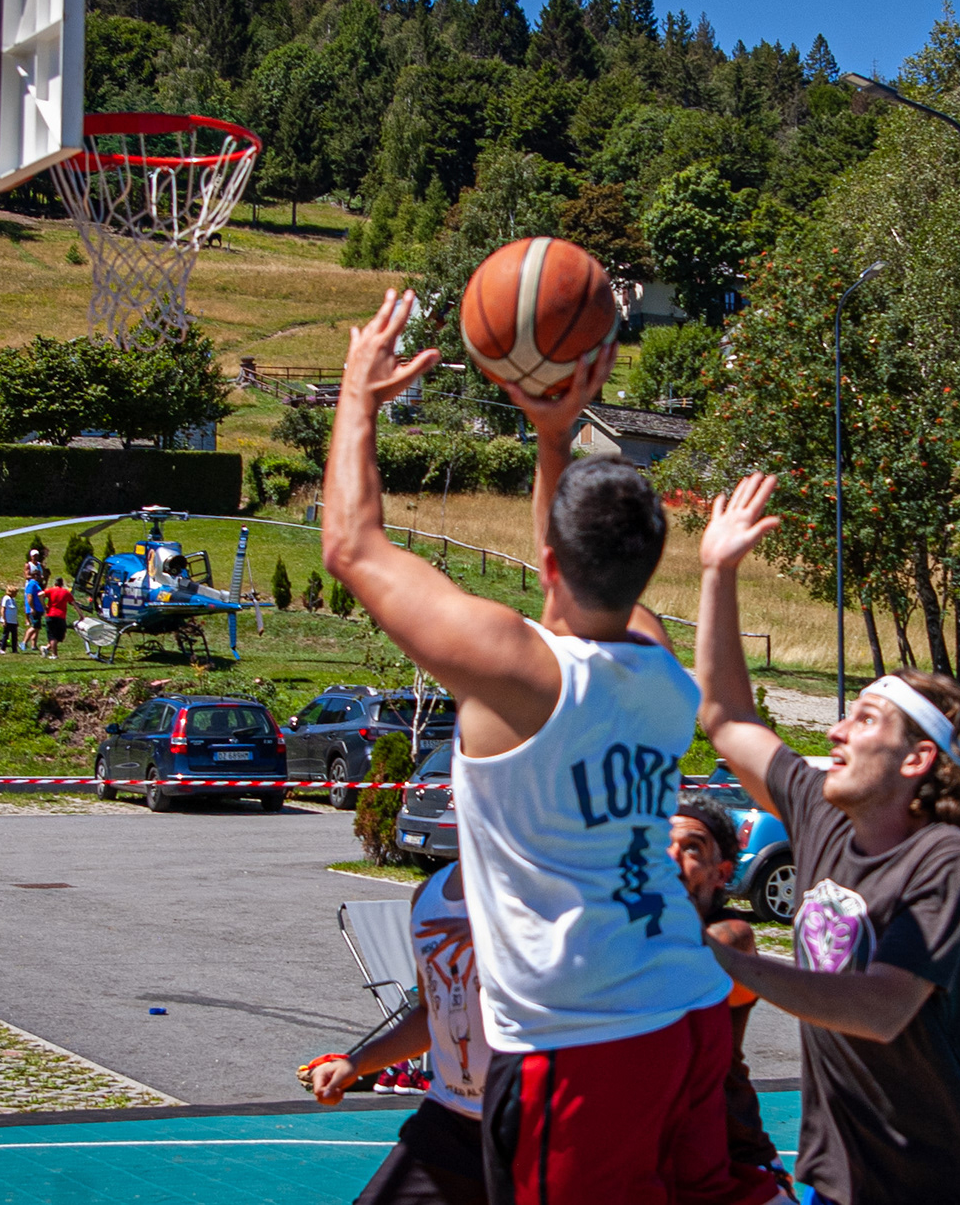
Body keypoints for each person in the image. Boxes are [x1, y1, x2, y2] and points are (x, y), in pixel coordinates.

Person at [319, 291, 777, 1205]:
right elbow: (567, 580)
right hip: (685, 1015)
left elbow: (351, 547)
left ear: (550, 566)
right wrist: (554, 436)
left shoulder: (519, 674)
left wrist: (358, 393)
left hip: (584, 1040)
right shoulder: (659, 669)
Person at [691, 473, 960, 1205]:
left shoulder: (942, 857)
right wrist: (718, 571)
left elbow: (881, 1009)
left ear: (917, 760)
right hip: (844, 1180)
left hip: (953, 1186)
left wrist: (724, 960)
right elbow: (726, 716)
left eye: (865, 720)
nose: (835, 731)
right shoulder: (820, 813)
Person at [308, 861, 488, 1204]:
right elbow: (429, 1015)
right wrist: (357, 1063)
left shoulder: (539, 891)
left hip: (526, 1119)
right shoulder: (428, 898)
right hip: (450, 1117)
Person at [668, 795, 790, 1194]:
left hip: (732, 1152)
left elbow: (695, 960)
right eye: (660, 843)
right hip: (651, 1153)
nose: (671, 857)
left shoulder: (731, 936)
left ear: (721, 873)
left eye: (691, 848)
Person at [40, 574, 73, 659]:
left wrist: (44, 605)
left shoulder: (50, 590)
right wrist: (81, 615)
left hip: (50, 615)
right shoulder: (66, 592)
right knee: (56, 636)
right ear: (62, 583)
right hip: (60, 616)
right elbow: (74, 603)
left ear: (55, 583)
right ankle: (54, 654)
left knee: (57, 636)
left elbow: (40, 594)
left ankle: (46, 648)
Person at [21, 571, 46, 652]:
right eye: (39, 575)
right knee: (34, 626)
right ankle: (24, 642)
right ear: (35, 576)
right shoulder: (31, 584)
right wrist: (32, 608)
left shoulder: (37, 584)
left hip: (39, 608)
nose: (41, 577)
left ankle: (33, 645)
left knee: (37, 627)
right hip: (34, 608)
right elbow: (29, 596)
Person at [0, 586, 19, 654]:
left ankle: (14, 649)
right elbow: (3, 609)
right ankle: (2, 649)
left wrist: (16, 620)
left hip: (13, 621)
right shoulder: (6, 598)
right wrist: (4, 619)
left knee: (14, 636)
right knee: (6, 635)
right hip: (7, 620)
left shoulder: (13, 600)